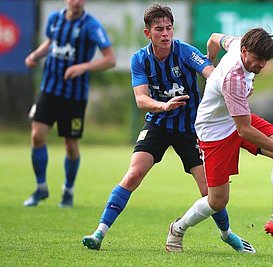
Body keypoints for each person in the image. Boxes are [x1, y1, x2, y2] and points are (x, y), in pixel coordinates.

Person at [82, 4, 250, 252]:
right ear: (147, 33)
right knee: (133, 175)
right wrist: (163, 106)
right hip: (158, 124)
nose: (165, 33)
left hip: (192, 129)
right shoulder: (140, 59)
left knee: (209, 190)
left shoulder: (184, 52)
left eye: (169, 28)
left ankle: (227, 234)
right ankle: (99, 233)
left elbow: (211, 74)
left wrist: (232, 86)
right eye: (159, 29)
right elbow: (141, 99)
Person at [165, 28, 273, 253]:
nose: (262, 65)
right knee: (217, 202)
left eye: (265, 61)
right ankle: (178, 229)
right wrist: (216, 78)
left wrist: (209, 67)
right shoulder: (233, 78)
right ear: (244, 52)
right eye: (258, 60)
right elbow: (244, 130)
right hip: (215, 132)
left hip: (238, 119)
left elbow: (212, 38)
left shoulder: (237, 43)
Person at [23, 0, 116, 207]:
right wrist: (35, 55)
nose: (77, 2)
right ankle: (41, 188)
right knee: (37, 135)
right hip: (49, 90)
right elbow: (51, 42)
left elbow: (110, 59)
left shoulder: (91, 25)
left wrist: (84, 67)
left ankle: (68, 191)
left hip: (74, 97)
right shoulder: (55, 19)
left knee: (70, 146)